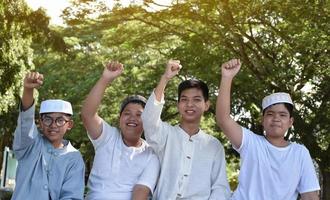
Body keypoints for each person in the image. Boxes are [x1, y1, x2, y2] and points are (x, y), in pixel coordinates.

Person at [216, 59, 320, 200]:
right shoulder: (251, 143)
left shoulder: (300, 153)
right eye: (270, 114)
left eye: (282, 115)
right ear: (262, 120)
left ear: (290, 122)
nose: (276, 118)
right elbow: (223, 119)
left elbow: (310, 195)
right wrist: (227, 77)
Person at [141, 60, 231, 199]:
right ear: (178, 105)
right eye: (184, 99)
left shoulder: (214, 145)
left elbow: (220, 187)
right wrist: (165, 78)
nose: (190, 104)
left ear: (206, 105)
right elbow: (149, 119)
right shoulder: (165, 134)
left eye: (196, 99)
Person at [81, 61, 160, 200]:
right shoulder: (107, 137)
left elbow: (141, 191)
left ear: (147, 121)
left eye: (139, 114)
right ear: (120, 118)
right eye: (127, 113)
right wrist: (105, 79)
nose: (132, 118)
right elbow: (87, 115)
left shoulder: (151, 155)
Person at [12, 72, 85, 200]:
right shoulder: (29, 145)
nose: (53, 125)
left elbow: (72, 196)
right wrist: (28, 89)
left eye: (60, 120)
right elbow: (25, 121)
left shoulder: (74, 158)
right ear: (40, 122)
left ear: (69, 124)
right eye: (47, 119)